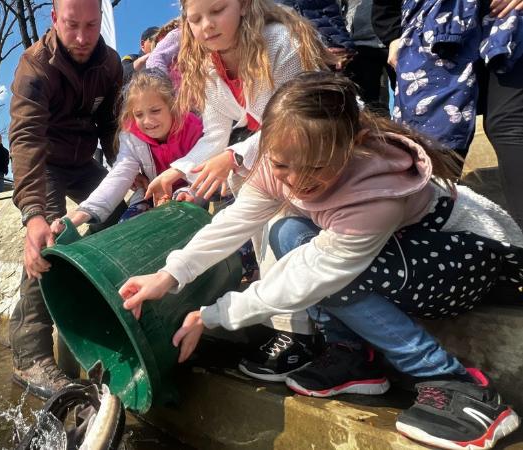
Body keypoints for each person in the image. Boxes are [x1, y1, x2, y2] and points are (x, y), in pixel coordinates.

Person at [119, 72, 522, 450]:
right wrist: (169, 274)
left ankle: (454, 382)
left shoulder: (375, 193)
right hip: (403, 253)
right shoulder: (285, 154)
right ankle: (353, 358)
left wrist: (213, 315)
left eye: (315, 168)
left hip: (472, 259)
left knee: (327, 269)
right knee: (286, 232)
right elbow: (236, 220)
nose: (294, 180)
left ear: (349, 147)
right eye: (281, 166)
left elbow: (309, 277)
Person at [144, 0, 336, 380]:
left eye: (217, 11)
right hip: (275, 154)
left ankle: (301, 334)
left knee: (275, 215)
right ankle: (287, 327)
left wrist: (234, 156)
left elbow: (298, 118)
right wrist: (177, 171)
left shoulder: (280, 43)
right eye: (195, 19)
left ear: (244, 5)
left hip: (316, 147)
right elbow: (215, 134)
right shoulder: (208, 63)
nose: (207, 26)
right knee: (257, 210)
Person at [8, 0, 125, 398]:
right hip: (47, 165)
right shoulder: (34, 65)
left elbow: (111, 124)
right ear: (53, 19)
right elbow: (25, 139)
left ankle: (110, 318)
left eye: (92, 26)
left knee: (125, 218)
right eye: (72, 25)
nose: (82, 37)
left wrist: (131, 168)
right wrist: (34, 214)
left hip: (85, 163)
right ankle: (30, 357)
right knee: (48, 245)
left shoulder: (110, 65)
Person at [372, 0, 523, 228]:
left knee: (509, 127)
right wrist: (392, 35)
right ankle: (426, 240)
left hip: (507, 23)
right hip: (434, 31)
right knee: (433, 139)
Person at [50, 70, 204, 234]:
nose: (147, 121)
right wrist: (81, 213)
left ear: (172, 105)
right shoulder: (132, 136)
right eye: (139, 114)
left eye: (155, 110)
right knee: (127, 229)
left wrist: (190, 192)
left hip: (190, 189)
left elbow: (202, 168)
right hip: (151, 194)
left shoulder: (192, 129)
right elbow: (120, 174)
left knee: (178, 226)